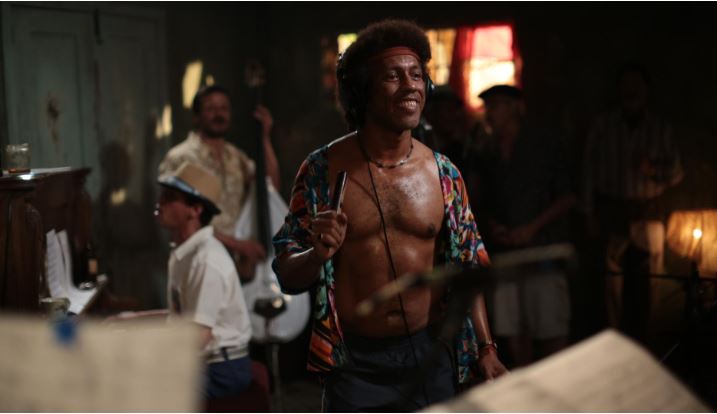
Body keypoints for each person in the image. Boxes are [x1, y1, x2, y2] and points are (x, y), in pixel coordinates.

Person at [272, 19, 506, 412]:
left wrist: (486, 347)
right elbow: (285, 273)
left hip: (431, 354)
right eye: (393, 76)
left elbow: (470, 264)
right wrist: (316, 255)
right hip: (356, 367)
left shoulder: (444, 174)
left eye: (416, 75)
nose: (410, 86)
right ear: (363, 91)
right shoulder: (321, 172)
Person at [476, 85, 576, 367]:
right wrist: (493, 225)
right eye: (487, 107)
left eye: (495, 105)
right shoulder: (489, 152)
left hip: (542, 252)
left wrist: (532, 228)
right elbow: (485, 200)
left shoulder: (543, 145)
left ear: (514, 108)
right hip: (507, 255)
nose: (490, 113)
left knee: (549, 324)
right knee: (513, 328)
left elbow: (567, 196)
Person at [582, 63, 684, 336]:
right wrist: (589, 212)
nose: (631, 91)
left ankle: (651, 339)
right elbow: (588, 170)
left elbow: (676, 172)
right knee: (611, 282)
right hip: (612, 211)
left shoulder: (659, 128)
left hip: (647, 212)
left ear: (646, 89)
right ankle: (613, 337)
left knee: (653, 281)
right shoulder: (604, 126)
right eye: (626, 85)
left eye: (637, 85)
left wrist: (652, 170)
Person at [158, 85, 281, 277]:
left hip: (239, 266)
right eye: (211, 108)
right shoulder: (180, 158)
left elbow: (270, 187)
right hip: (200, 260)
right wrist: (237, 244)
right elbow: (177, 216)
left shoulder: (236, 157)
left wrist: (264, 137)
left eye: (224, 108)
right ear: (196, 116)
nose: (219, 114)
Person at [155, 162, 253, 399]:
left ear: (195, 210)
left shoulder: (206, 260)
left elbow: (199, 336)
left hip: (221, 368)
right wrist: (129, 321)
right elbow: (181, 316)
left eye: (170, 197)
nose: (160, 202)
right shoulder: (185, 252)